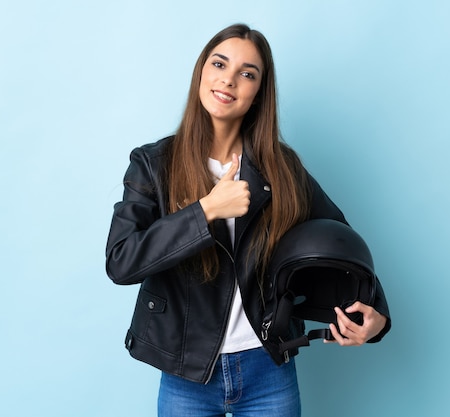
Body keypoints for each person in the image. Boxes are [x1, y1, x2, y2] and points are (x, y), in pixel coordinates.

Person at [105, 23, 391, 417]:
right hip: (187, 372)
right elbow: (121, 260)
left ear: (259, 93)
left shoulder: (282, 168)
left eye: (248, 73)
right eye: (219, 63)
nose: (229, 79)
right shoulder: (154, 164)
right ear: (201, 72)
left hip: (268, 369)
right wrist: (206, 211)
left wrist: (376, 315)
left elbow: (339, 241)